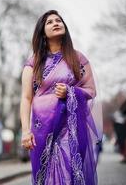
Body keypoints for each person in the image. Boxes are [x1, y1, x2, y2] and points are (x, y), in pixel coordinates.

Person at [20, 10, 102, 185]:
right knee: (45, 176)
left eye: (58, 20)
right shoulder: (33, 63)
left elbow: (91, 90)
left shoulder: (77, 58)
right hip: (41, 128)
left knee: (69, 173)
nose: (56, 23)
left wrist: (70, 92)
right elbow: (26, 98)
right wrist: (25, 131)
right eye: (49, 22)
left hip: (69, 127)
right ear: (42, 32)